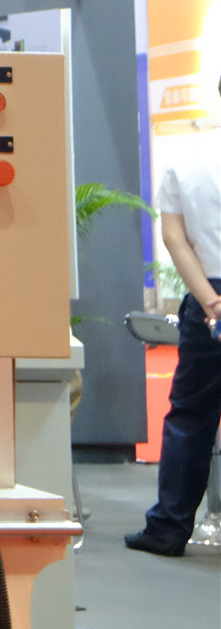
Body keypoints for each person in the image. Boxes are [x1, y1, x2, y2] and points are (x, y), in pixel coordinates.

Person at [128, 111, 221, 557]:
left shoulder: (186, 159)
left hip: (209, 297)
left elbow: (174, 238)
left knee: (191, 416)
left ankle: (168, 528)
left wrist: (211, 302)